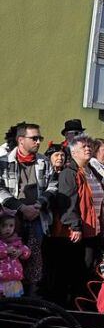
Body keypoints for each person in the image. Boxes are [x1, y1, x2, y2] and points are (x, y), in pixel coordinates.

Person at [0, 122, 54, 296]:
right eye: (34, 138)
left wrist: (39, 204)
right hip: (10, 220)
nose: (38, 142)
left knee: (33, 261)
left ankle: (30, 301)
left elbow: (52, 186)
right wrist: (21, 207)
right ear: (21, 140)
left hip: (37, 218)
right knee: (9, 258)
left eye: (40, 138)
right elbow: (0, 189)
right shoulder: (4, 162)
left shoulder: (43, 162)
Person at [56, 135, 104, 299]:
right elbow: (68, 202)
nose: (88, 148)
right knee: (78, 270)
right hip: (79, 231)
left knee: (90, 268)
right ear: (74, 152)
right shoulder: (69, 173)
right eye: (83, 147)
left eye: (89, 146)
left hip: (94, 228)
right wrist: (75, 226)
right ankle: (74, 306)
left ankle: (85, 304)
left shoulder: (92, 171)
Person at [0, 212, 31, 298]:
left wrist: (20, 251)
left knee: (14, 304)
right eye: (4, 226)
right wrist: (6, 251)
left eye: (11, 226)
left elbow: (27, 251)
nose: (8, 229)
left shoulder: (17, 241)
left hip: (14, 281)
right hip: (1, 281)